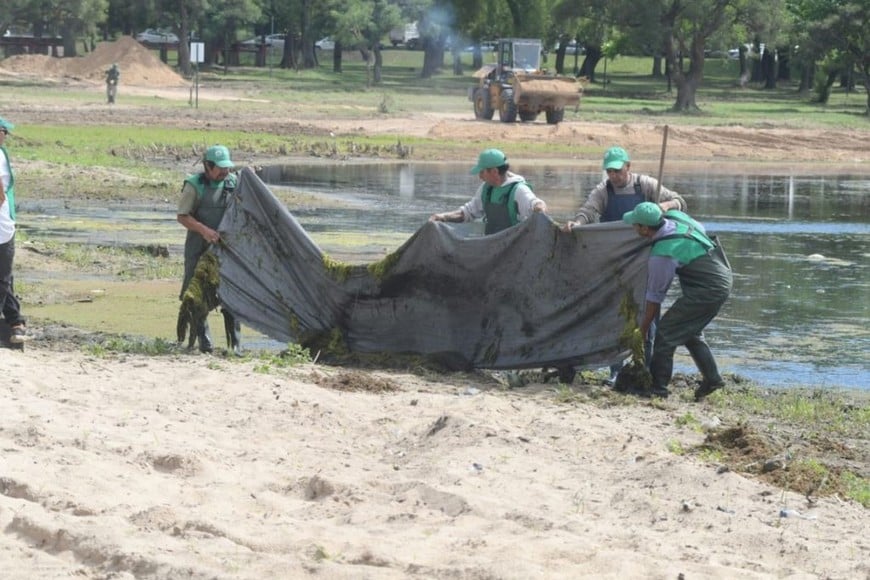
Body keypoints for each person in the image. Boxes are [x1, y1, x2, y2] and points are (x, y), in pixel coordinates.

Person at [562, 146, 688, 383]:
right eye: (609, 171)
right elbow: (588, 211)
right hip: (616, 263)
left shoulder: (647, 185)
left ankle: (646, 367)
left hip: (646, 261)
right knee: (617, 314)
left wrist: (665, 206)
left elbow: (680, 201)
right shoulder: (604, 190)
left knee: (649, 313)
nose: (614, 176)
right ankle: (615, 371)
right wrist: (576, 223)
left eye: (618, 171)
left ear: (628, 167)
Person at [622, 202, 732, 401]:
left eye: (635, 225)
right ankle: (712, 379)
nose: (633, 228)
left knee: (666, 332)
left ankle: (658, 387)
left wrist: (642, 330)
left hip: (709, 288)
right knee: (689, 331)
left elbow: (655, 298)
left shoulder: (663, 254)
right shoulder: (676, 216)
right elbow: (700, 228)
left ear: (645, 229)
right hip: (721, 271)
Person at [177, 145, 241, 354]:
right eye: (220, 168)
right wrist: (204, 231)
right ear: (207, 166)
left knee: (232, 295)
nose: (225, 172)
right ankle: (205, 344)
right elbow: (183, 216)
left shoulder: (233, 183)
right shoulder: (194, 186)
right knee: (197, 295)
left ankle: (236, 345)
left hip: (226, 250)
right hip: (198, 247)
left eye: (227, 168)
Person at [430, 148, 547, 234]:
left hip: (515, 247)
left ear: (495, 172)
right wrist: (443, 217)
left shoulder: (519, 190)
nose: (480, 176)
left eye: (482, 172)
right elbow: (468, 212)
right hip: (492, 244)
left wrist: (539, 207)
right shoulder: (486, 189)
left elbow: (536, 203)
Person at [0, 116, 28, 344]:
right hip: (2, 226)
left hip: (4, 224)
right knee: (2, 278)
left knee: (4, 277)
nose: (5, 136)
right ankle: (15, 322)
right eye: (3, 131)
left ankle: (15, 321)